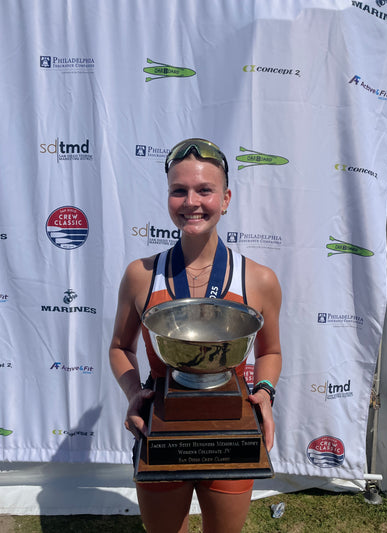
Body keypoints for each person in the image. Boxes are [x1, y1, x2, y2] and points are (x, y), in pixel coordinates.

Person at [109, 138, 282, 533]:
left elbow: (270, 351)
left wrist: (265, 393)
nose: (191, 202)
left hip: (231, 424)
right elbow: (120, 348)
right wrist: (134, 393)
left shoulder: (259, 279)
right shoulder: (141, 275)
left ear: (226, 198)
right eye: (179, 191)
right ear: (168, 197)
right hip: (162, 421)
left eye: (205, 190)